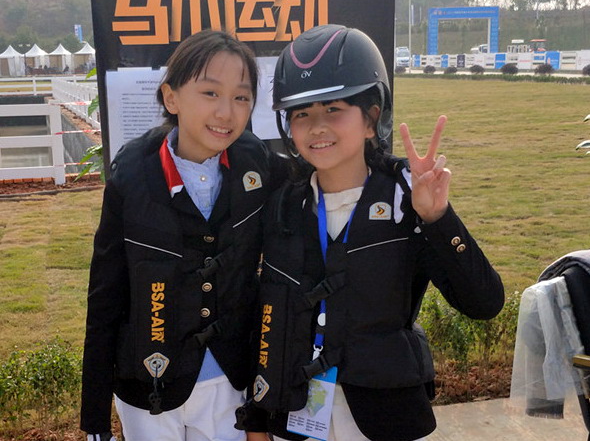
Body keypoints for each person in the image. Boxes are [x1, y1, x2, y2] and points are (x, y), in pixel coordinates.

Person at [241, 24, 505, 441]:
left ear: (371, 118)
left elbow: (485, 302)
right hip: (297, 415)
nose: (316, 127)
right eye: (301, 113)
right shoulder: (284, 206)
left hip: (386, 417)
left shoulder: (406, 198)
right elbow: (268, 317)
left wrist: (438, 219)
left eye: (333, 109)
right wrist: (257, 420)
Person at [81, 29, 284, 441]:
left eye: (241, 97)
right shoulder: (131, 175)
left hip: (231, 382)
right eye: (210, 93)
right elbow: (105, 296)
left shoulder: (259, 164)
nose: (227, 112)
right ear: (171, 97)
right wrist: (94, 421)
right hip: (146, 388)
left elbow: (327, 174)